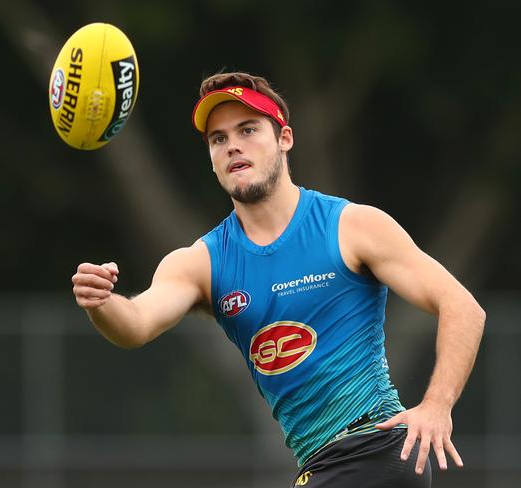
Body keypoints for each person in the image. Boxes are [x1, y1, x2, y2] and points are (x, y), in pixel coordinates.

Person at [71, 72, 486, 487]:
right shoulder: (201, 263)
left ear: (284, 138)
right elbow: (136, 324)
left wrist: (436, 406)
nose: (232, 144)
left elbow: (463, 307)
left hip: (376, 448)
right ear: (212, 158)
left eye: (248, 130)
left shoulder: (351, 226)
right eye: (218, 138)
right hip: (321, 467)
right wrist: (102, 302)